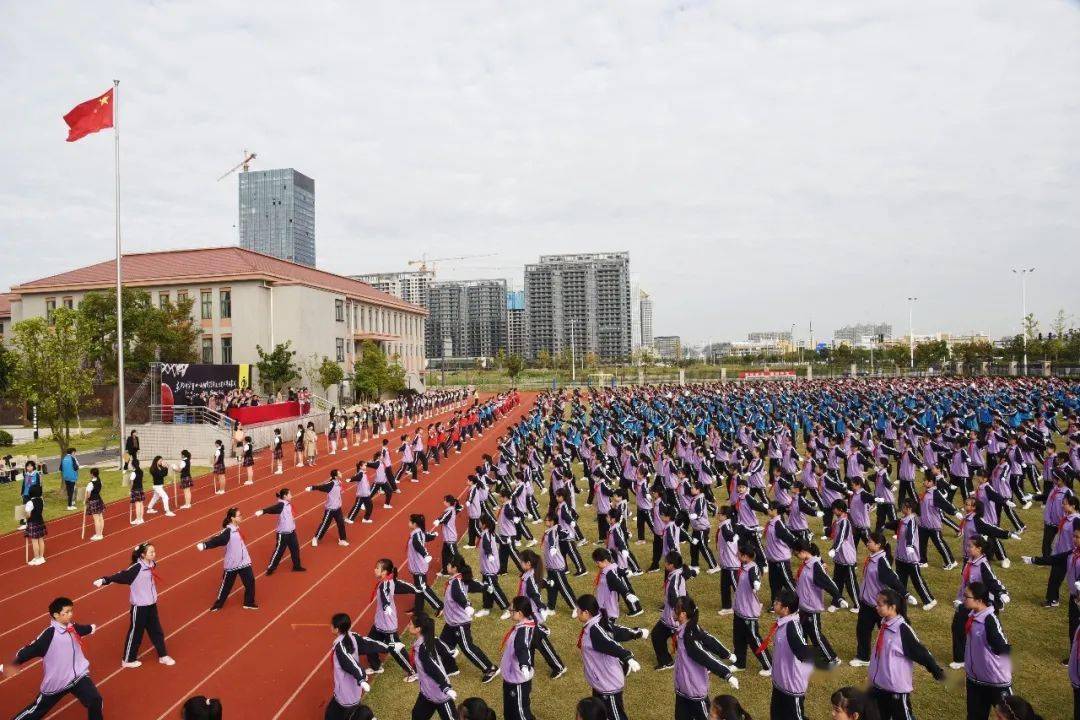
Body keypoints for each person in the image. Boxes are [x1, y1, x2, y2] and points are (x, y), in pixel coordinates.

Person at [4, 597, 103, 719]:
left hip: (78, 676)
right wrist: (14, 663)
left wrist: (91, 628)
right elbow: (30, 650)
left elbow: (82, 629)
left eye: (71, 611)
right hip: (58, 681)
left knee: (95, 700)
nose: (70, 614)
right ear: (56, 615)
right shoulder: (49, 635)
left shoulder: (72, 627)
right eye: (66, 612)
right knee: (35, 711)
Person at [92, 542, 176, 668]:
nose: (154, 554)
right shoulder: (136, 568)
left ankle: (163, 655)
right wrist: (105, 580)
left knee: (156, 631)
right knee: (136, 632)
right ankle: (128, 659)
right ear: (143, 555)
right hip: (140, 607)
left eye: (154, 551)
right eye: (151, 552)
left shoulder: (152, 564)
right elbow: (121, 575)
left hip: (151, 605)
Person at [867, 587, 945, 720]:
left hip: (896, 690)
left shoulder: (902, 630)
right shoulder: (885, 624)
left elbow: (921, 653)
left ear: (892, 607)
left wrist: (936, 671)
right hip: (880, 687)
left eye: (880, 604)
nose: (876, 607)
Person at [673, 596, 738, 720]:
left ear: (683, 614)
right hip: (682, 690)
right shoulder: (687, 629)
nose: (673, 611)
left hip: (694, 692)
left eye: (676, 609)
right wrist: (727, 654)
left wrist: (727, 674)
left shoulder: (689, 637)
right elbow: (709, 639)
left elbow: (706, 657)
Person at [577, 593, 640, 720]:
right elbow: (615, 631)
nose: (576, 612)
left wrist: (627, 657)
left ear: (586, 613)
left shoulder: (595, 630)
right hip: (600, 681)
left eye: (578, 610)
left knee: (616, 716)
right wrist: (635, 633)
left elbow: (610, 644)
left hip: (608, 684)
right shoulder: (595, 624)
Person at [755, 589, 814, 719]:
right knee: (776, 715)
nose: (774, 603)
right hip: (780, 682)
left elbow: (803, 652)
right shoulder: (783, 622)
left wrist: (808, 667)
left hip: (791, 686)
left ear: (785, 609)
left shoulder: (791, 628)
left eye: (777, 602)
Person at [439, 556, 499, 682]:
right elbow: (473, 585)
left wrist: (467, 606)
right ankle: (451, 668)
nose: (447, 566)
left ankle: (490, 668)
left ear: (455, 568)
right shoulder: (459, 579)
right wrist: (485, 586)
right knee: (443, 645)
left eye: (449, 564)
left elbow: (459, 594)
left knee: (467, 648)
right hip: (451, 622)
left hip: (459, 623)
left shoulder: (456, 582)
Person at [852, 531, 905, 667]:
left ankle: (895, 655)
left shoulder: (881, 561)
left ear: (879, 545)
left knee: (888, 633)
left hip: (878, 605)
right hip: (866, 602)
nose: (867, 543)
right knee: (862, 630)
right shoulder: (872, 558)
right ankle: (863, 657)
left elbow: (892, 578)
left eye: (870, 541)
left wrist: (906, 593)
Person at [963, 581, 1013, 720]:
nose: (964, 599)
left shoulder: (990, 620)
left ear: (979, 600)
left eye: (967, 597)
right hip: (975, 680)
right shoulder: (972, 616)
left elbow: (1002, 646)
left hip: (996, 681)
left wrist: (1001, 648)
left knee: (1009, 716)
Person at [196, 507, 258, 611]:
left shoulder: (236, 529)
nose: (241, 516)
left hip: (244, 561)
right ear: (232, 518)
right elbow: (218, 540)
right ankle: (218, 605)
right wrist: (205, 545)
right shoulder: (228, 531)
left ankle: (249, 602)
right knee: (226, 586)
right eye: (239, 515)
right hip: (232, 564)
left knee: (250, 581)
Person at [793, 541, 844, 666]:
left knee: (816, 635)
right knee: (802, 632)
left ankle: (832, 658)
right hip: (803, 606)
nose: (795, 556)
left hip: (811, 607)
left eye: (796, 553)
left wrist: (838, 597)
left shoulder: (815, 566)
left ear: (804, 552)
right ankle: (803, 655)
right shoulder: (806, 564)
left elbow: (828, 583)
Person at [366, 558, 418, 678]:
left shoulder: (386, 584)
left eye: (377, 568)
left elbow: (385, 595)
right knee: (369, 642)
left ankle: (413, 671)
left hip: (387, 624)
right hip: (380, 622)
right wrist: (414, 588)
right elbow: (399, 585)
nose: (375, 569)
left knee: (396, 649)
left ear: (384, 572)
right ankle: (376, 666)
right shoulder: (388, 581)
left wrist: (386, 606)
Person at [731, 543, 772, 675]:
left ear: (745, 556)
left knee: (754, 640)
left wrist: (756, 583)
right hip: (739, 610)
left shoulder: (752, 568)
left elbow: (754, 576)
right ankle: (740, 663)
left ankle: (769, 665)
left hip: (748, 612)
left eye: (739, 553)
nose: (737, 554)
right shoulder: (743, 567)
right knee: (738, 638)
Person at [652, 550, 697, 670]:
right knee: (657, 635)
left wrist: (677, 614)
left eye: (666, 562)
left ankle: (700, 663)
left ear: (671, 565)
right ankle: (666, 661)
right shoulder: (678, 573)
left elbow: (676, 598)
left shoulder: (674, 579)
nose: (664, 564)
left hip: (674, 617)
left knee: (686, 642)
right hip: (669, 616)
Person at [409, 612, 458, 720]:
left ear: (418, 629)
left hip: (440, 694)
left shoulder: (423, 649)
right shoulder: (428, 639)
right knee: (417, 716)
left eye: (411, 624)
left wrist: (445, 687)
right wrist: (450, 653)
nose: (409, 626)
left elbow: (433, 668)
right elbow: (444, 649)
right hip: (427, 693)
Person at [326, 613, 374, 720]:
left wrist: (361, 678)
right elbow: (369, 643)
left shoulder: (340, 647)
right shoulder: (352, 636)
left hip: (346, 693)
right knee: (330, 713)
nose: (330, 627)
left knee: (338, 715)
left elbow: (350, 664)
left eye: (332, 625)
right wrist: (388, 647)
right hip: (347, 690)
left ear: (337, 629)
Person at [499, 596, 539, 720]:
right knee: (510, 710)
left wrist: (524, 665)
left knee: (520, 713)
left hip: (518, 680)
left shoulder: (523, 631)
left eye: (512, 610)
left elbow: (522, 649)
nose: (510, 612)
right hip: (511, 676)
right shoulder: (525, 624)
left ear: (520, 613)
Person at [255, 487, 306, 574]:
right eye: (290, 494)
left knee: (295, 549)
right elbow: (272, 508)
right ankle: (271, 568)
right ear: (285, 496)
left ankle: (296, 566)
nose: (291, 495)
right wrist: (263, 511)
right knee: (279, 551)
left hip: (291, 532)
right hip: (283, 534)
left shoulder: (287, 504)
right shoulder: (281, 505)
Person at [406, 514, 443, 613]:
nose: (408, 523)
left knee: (422, 588)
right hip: (417, 566)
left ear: (415, 524)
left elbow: (418, 545)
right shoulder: (418, 533)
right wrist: (434, 535)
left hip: (418, 567)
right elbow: (426, 536)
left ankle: (439, 606)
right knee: (419, 588)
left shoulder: (416, 535)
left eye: (410, 521)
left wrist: (426, 555)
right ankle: (418, 608)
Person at [307, 469, 349, 548]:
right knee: (325, 525)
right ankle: (315, 538)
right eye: (339, 473)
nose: (341, 473)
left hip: (338, 508)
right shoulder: (331, 484)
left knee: (341, 524)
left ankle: (342, 540)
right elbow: (321, 487)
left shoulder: (339, 482)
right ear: (336, 476)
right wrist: (312, 488)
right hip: (330, 509)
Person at [24, 483, 47, 565]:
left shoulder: (29, 503)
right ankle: (41, 557)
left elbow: (28, 515)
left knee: (34, 541)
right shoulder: (41, 501)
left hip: (33, 522)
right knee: (41, 539)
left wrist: (25, 518)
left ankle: (37, 558)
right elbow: (42, 512)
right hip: (40, 521)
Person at [85, 468, 105, 540]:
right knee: (100, 516)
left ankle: (98, 535)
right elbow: (100, 488)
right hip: (99, 499)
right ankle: (100, 533)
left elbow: (88, 495)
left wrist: (86, 500)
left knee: (96, 518)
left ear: (92, 474)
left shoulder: (90, 483)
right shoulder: (100, 481)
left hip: (93, 501)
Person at [129, 458, 146, 525]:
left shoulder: (133, 473)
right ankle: (140, 518)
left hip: (135, 490)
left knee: (137, 505)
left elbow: (132, 483)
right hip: (141, 489)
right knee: (141, 504)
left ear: (132, 465)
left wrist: (130, 490)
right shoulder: (141, 471)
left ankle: (138, 519)